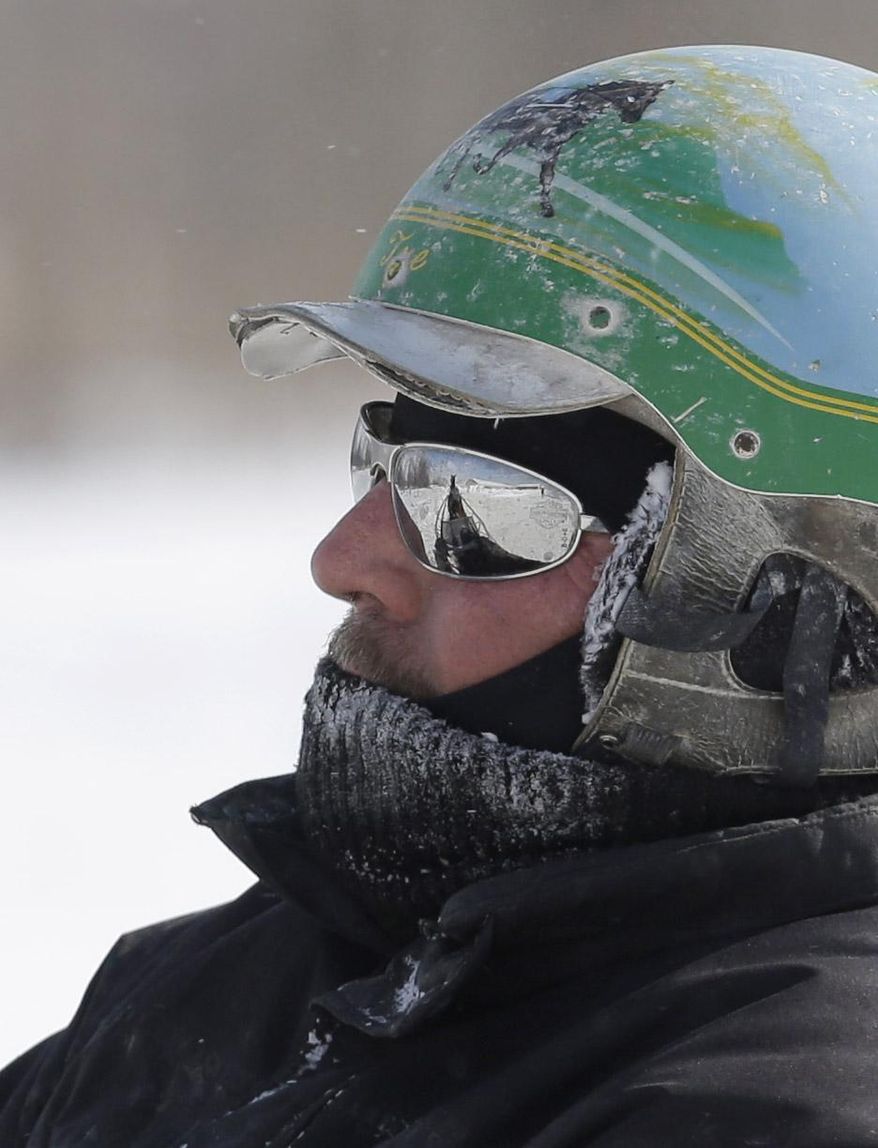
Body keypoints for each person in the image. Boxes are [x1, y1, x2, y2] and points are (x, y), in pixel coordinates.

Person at [3, 43, 878, 1147]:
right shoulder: (224, 984)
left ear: (801, 595)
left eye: (474, 501)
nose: (343, 554)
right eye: (380, 461)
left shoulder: (778, 1103)